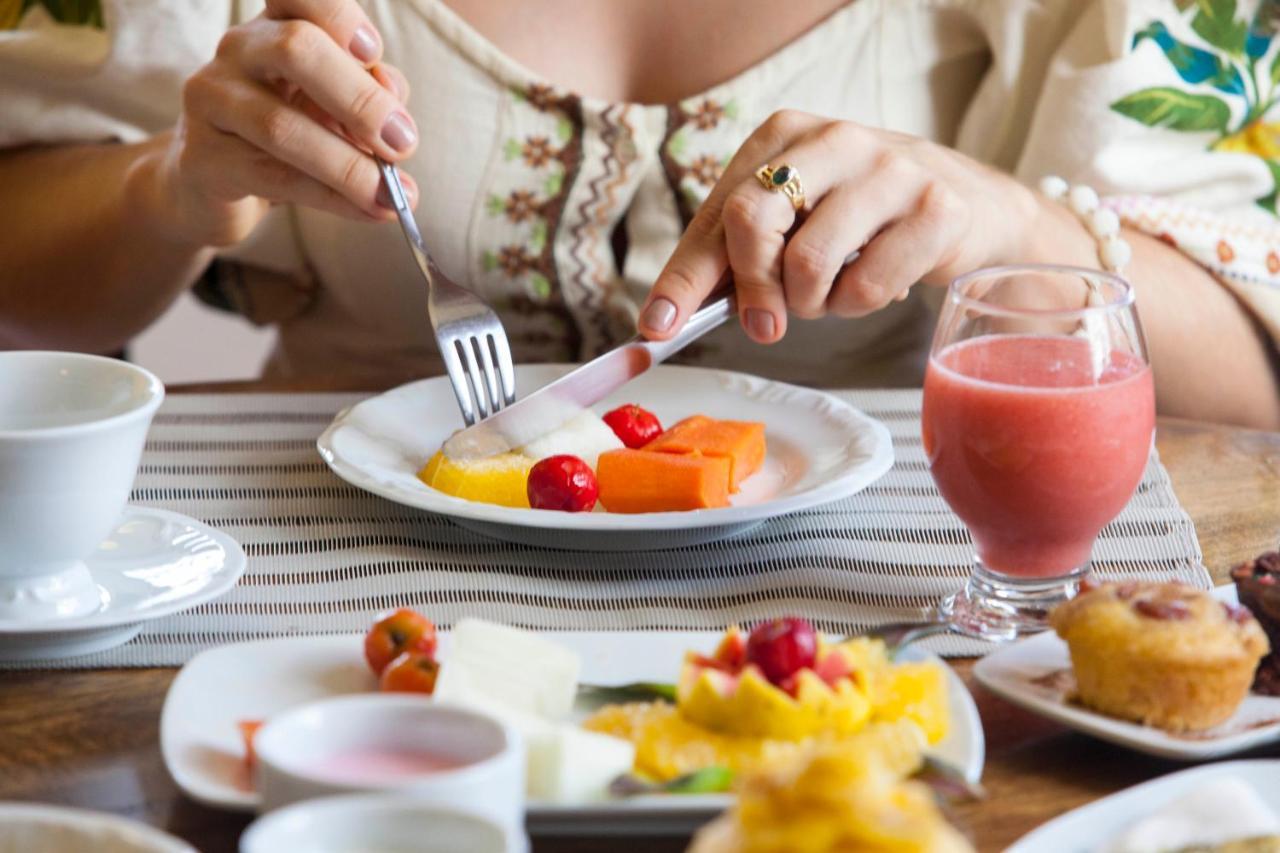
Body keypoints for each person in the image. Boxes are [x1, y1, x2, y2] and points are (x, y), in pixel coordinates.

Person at [1, 0, 1277, 428]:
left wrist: (1005, 227)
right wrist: (175, 186)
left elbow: (1252, 386)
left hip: (888, 665)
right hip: (309, 633)